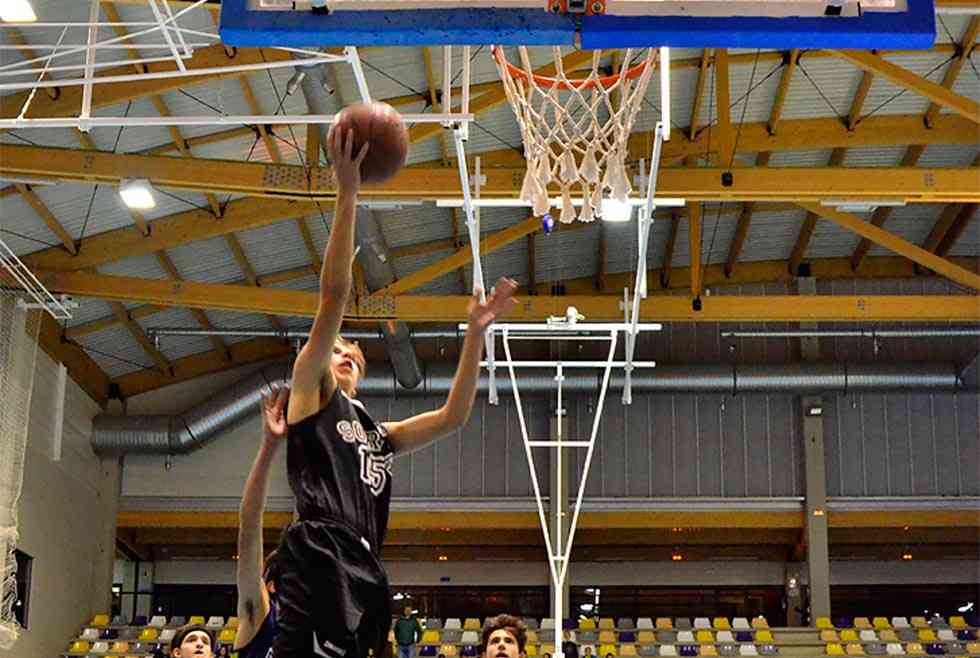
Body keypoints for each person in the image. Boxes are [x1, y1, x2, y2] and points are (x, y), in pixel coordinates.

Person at [272, 124, 519, 658]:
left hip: (366, 564)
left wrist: (476, 335)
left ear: (359, 362)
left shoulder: (378, 434)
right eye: (330, 345)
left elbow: (453, 416)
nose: (338, 350)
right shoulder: (312, 392)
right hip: (320, 549)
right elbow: (334, 294)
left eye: (346, 349)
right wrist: (348, 191)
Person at [233, 385, 290, 658]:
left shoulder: (317, 630)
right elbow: (250, 526)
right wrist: (270, 445)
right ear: (273, 586)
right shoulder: (261, 612)